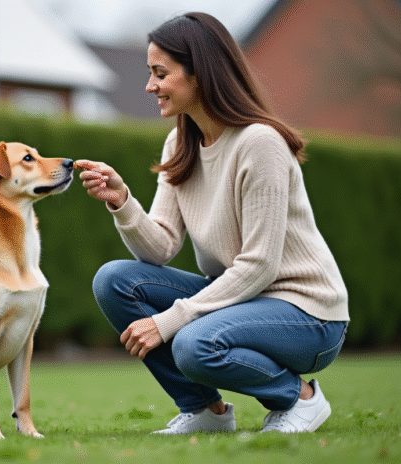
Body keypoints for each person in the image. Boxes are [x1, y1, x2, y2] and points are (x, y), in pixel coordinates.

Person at [76, 12, 349, 435]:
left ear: (200, 74)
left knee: (193, 343)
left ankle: (300, 399)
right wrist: (123, 203)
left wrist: (172, 319)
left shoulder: (260, 144)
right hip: (241, 300)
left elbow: (259, 266)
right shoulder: (180, 140)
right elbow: (161, 247)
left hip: (309, 315)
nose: (150, 86)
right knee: (114, 280)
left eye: (160, 73)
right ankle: (206, 412)